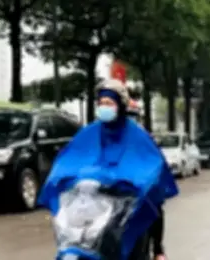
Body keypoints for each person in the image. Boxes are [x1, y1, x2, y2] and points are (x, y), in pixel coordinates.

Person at [39, 79, 177, 260]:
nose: (104, 107)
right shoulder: (88, 133)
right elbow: (69, 160)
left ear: (120, 106)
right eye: (101, 103)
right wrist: (67, 179)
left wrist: (132, 182)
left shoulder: (137, 135)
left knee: (152, 203)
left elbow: (151, 165)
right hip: (94, 206)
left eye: (109, 103)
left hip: (128, 205)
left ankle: (158, 250)